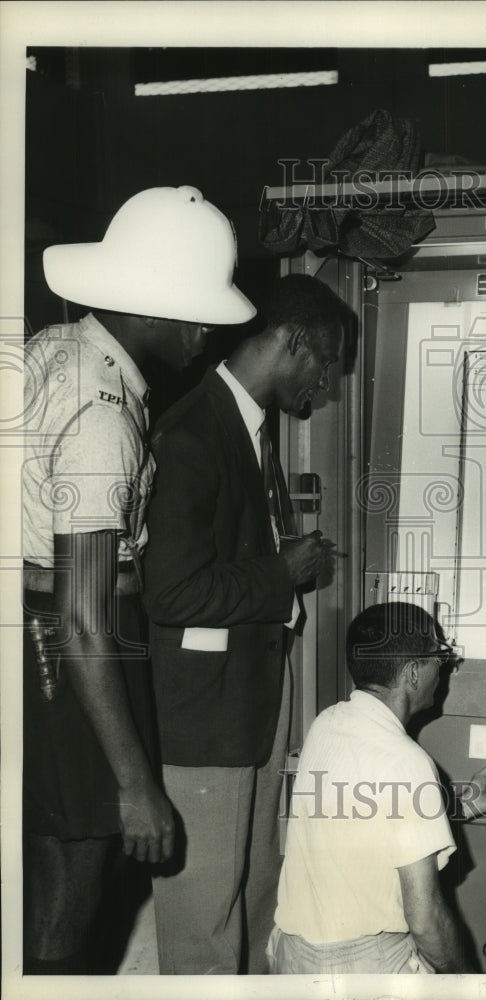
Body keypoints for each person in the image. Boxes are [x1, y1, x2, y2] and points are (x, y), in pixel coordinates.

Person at [21, 185, 254, 974]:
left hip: (41, 644)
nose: (207, 331)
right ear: (149, 310)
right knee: (65, 916)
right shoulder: (102, 416)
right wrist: (134, 784)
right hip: (67, 655)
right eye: (196, 312)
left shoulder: (55, 350)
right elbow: (84, 616)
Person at [142, 273, 350, 974]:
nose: (323, 389)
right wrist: (282, 572)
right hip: (206, 720)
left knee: (259, 897)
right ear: (291, 342)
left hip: (250, 704)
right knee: (203, 922)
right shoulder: (191, 434)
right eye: (324, 366)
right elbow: (170, 593)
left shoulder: (248, 429)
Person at [267, 601, 486, 975]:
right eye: (439, 657)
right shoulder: (407, 761)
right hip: (360, 967)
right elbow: (426, 919)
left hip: (293, 956)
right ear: (414, 672)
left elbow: (371, 819)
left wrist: (466, 804)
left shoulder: (327, 724)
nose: (443, 669)